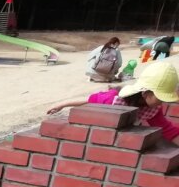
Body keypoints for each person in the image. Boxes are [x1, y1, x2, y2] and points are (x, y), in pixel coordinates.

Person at [46, 60, 179, 145]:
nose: (161, 103)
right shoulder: (113, 100)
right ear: (146, 94)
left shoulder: (152, 109)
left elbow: (167, 130)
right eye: (160, 98)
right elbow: (88, 100)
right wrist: (61, 104)